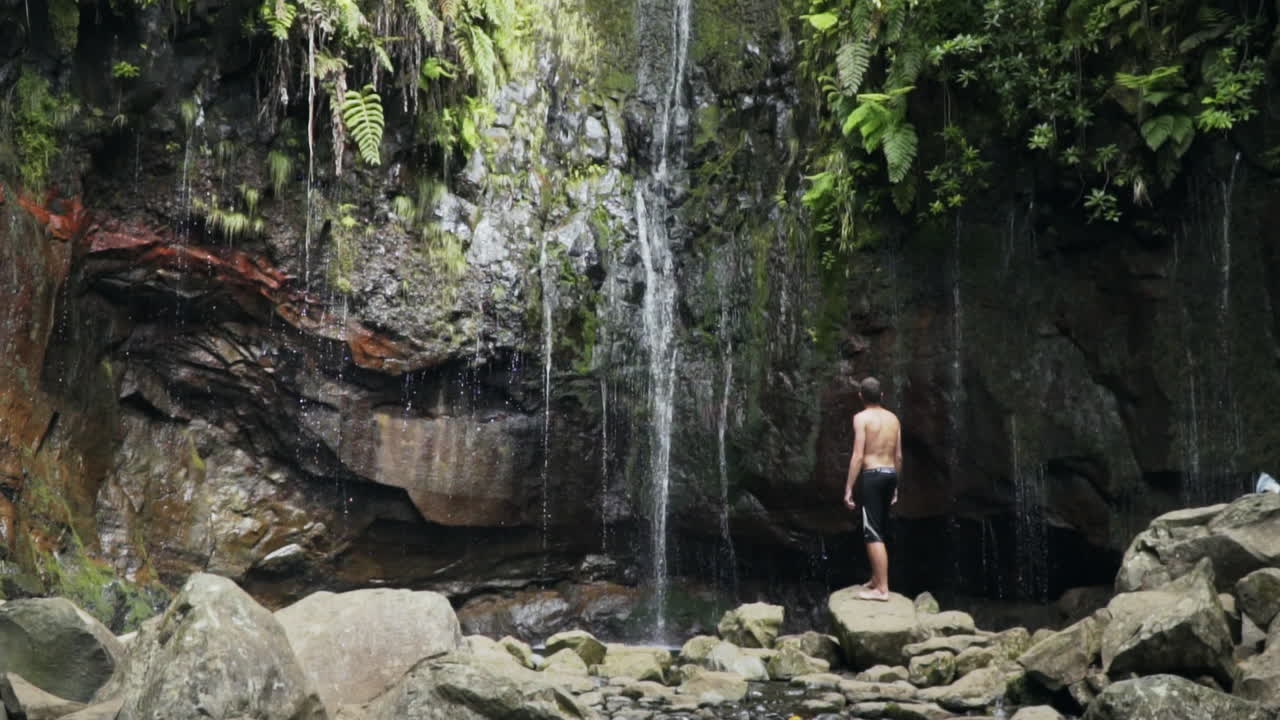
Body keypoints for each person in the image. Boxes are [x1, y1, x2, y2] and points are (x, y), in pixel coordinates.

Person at [843, 376, 902, 601]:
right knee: (879, 527)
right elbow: (898, 455)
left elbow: (858, 455)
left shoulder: (861, 418)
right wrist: (896, 484)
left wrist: (848, 488)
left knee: (872, 533)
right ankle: (876, 579)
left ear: (861, 397)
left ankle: (882, 589)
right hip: (889, 474)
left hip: (872, 476)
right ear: (882, 396)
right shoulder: (894, 419)